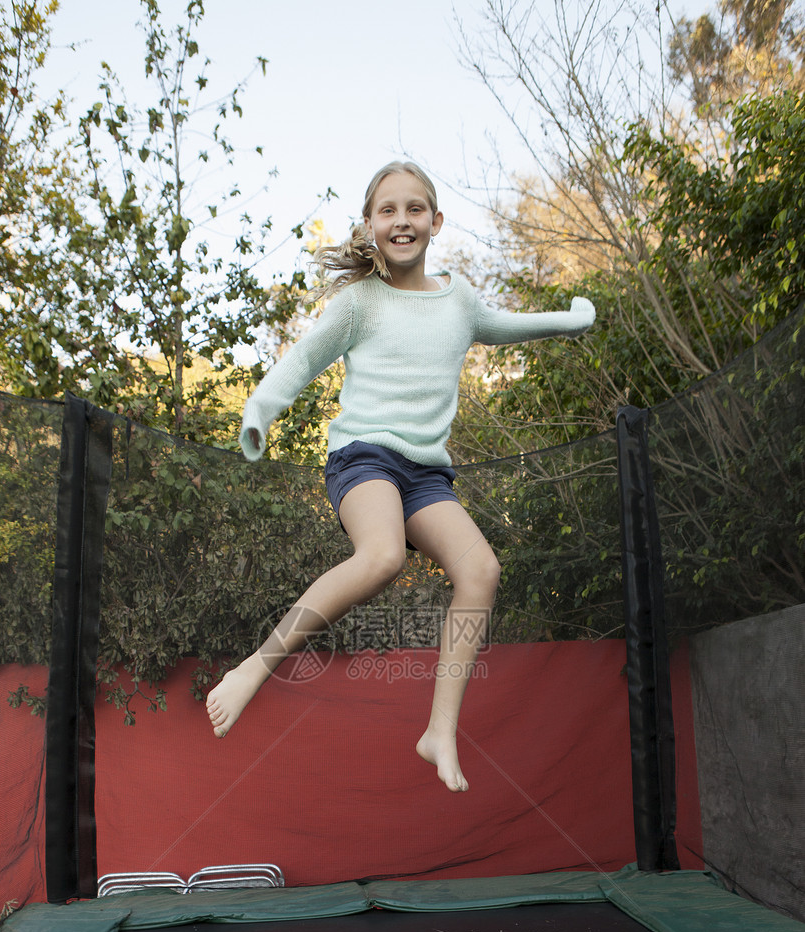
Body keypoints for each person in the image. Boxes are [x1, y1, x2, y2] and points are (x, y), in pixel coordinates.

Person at [207, 161, 595, 792]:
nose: (402, 221)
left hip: (425, 476)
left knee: (482, 570)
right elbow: (303, 359)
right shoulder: (360, 302)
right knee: (382, 554)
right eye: (387, 210)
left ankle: (439, 729)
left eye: (415, 209)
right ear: (370, 224)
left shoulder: (459, 302)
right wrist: (259, 410)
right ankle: (256, 667)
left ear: (435, 222)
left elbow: (505, 326)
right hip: (363, 459)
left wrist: (571, 319)